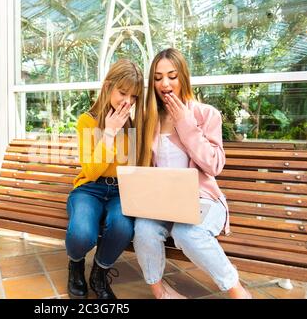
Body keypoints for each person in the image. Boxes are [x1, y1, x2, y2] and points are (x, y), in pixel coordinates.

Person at [133, 48, 251, 299]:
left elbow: (214, 165)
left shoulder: (206, 114)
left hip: (203, 200)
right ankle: (160, 292)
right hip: (162, 203)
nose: (165, 83)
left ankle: (236, 289)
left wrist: (186, 123)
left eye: (172, 76)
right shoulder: (149, 118)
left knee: (187, 232)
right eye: (157, 77)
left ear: (183, 77)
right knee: (143, 229)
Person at [66, 59, 144, 299]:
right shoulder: (87, 121)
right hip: (89, 189)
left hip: (121, 191)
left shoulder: (135, 124)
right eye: (122, 93)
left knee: (122, 226)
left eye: (133, 96)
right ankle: (75, 264)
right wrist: (109, 133)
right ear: (108, 86)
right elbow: (91, 171)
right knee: (81, 235)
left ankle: (99, 273)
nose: (127, 101)